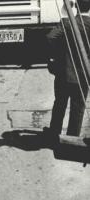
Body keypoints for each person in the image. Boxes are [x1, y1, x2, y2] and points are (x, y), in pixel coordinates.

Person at [46, 0, 90, 141]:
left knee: (59, 104)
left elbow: (50, 37)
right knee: (77, 108)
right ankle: (72, 139)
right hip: (83, 75)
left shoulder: (67, 23)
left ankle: (53, 134)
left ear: (75, 6)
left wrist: (58, 54)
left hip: (63, 73)